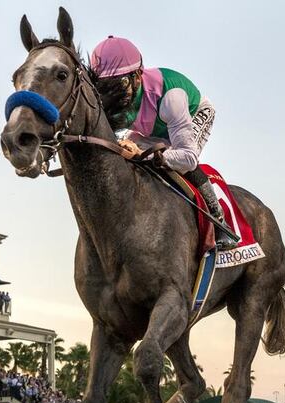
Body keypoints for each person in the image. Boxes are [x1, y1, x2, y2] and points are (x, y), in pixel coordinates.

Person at [90, 36, 235, 250]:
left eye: (118, 83)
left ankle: (219, 222)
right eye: (105, 85)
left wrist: (141, 154)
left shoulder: (171, 98)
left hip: (193, 114)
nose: (113, 93)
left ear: (137, 77)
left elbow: (187, 157)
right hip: (152, 126)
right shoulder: (117, 96)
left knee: (181, 162)